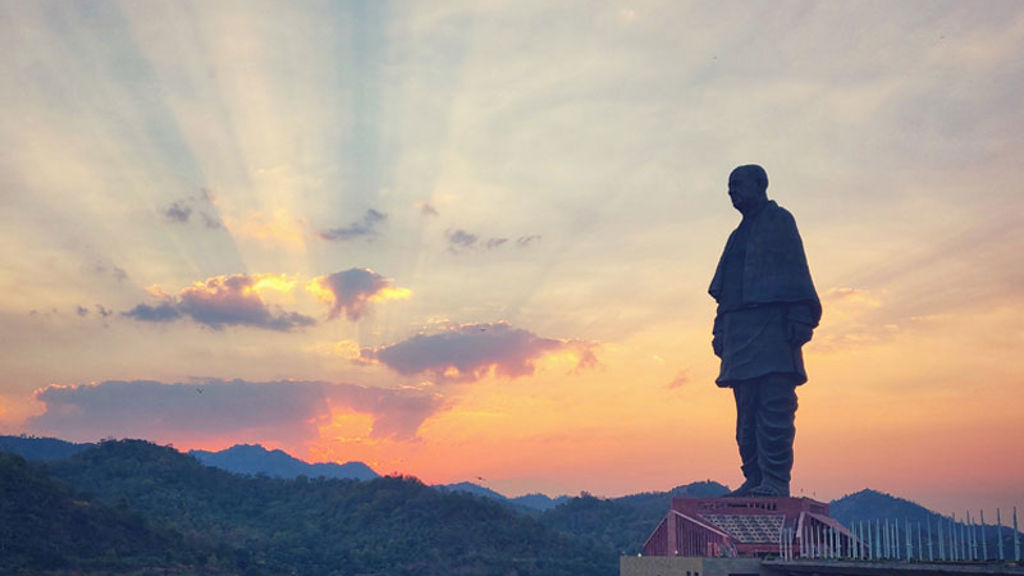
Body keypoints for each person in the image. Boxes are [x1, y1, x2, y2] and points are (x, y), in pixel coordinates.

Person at [708, 164, 821, 497]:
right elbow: (724, 293)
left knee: (774, 407)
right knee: (745, 417)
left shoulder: (780, 222)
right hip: (739, 333)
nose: (732, 191)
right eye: (729, 186)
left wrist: (800, 316)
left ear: (761, 185)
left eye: (738, 184)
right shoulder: (736, 236)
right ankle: (755, 477)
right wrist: (719, 331)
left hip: (772, 329)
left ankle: (774, 479)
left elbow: (796, 272)